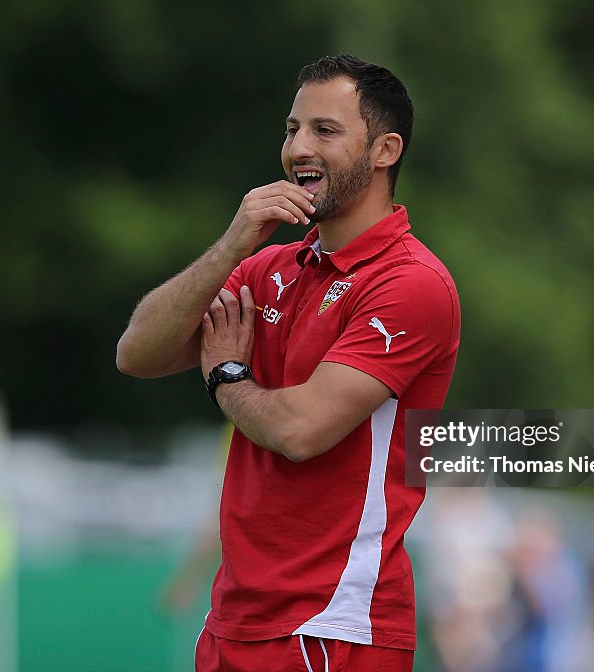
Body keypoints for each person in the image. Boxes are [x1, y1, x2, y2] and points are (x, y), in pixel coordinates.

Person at [117, 54, 460, 672]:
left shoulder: (412, 283)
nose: (298, 148)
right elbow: (137, 353)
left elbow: (299, 431)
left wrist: (226, 375)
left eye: (324, 131)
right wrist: (232, 244)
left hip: (334, 626)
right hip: (235, 623)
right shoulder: (269, 266)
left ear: (384, 151)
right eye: (291, 129)